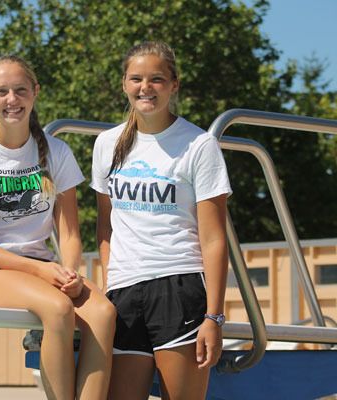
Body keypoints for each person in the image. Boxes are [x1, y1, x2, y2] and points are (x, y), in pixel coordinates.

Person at [0, 55, 116, 400]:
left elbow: (69, 234)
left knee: (103, 312)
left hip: (43, 269)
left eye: (21, 90)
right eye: (2, 91)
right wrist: (42, 271)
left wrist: (69, 273)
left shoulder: (57, 152)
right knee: (57, 307)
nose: (12, 99)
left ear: (35, 91)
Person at [91, 41, 232, 400]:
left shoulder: (199, 145)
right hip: (123, 293)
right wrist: (110, 282)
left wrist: (214, 317)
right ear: (124, 84)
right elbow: (106, 226)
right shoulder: (106, 144)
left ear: (174, 85)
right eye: (136, 79)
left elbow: (214, 238)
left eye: (156, 79)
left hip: (178, 286)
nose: (146, 87)